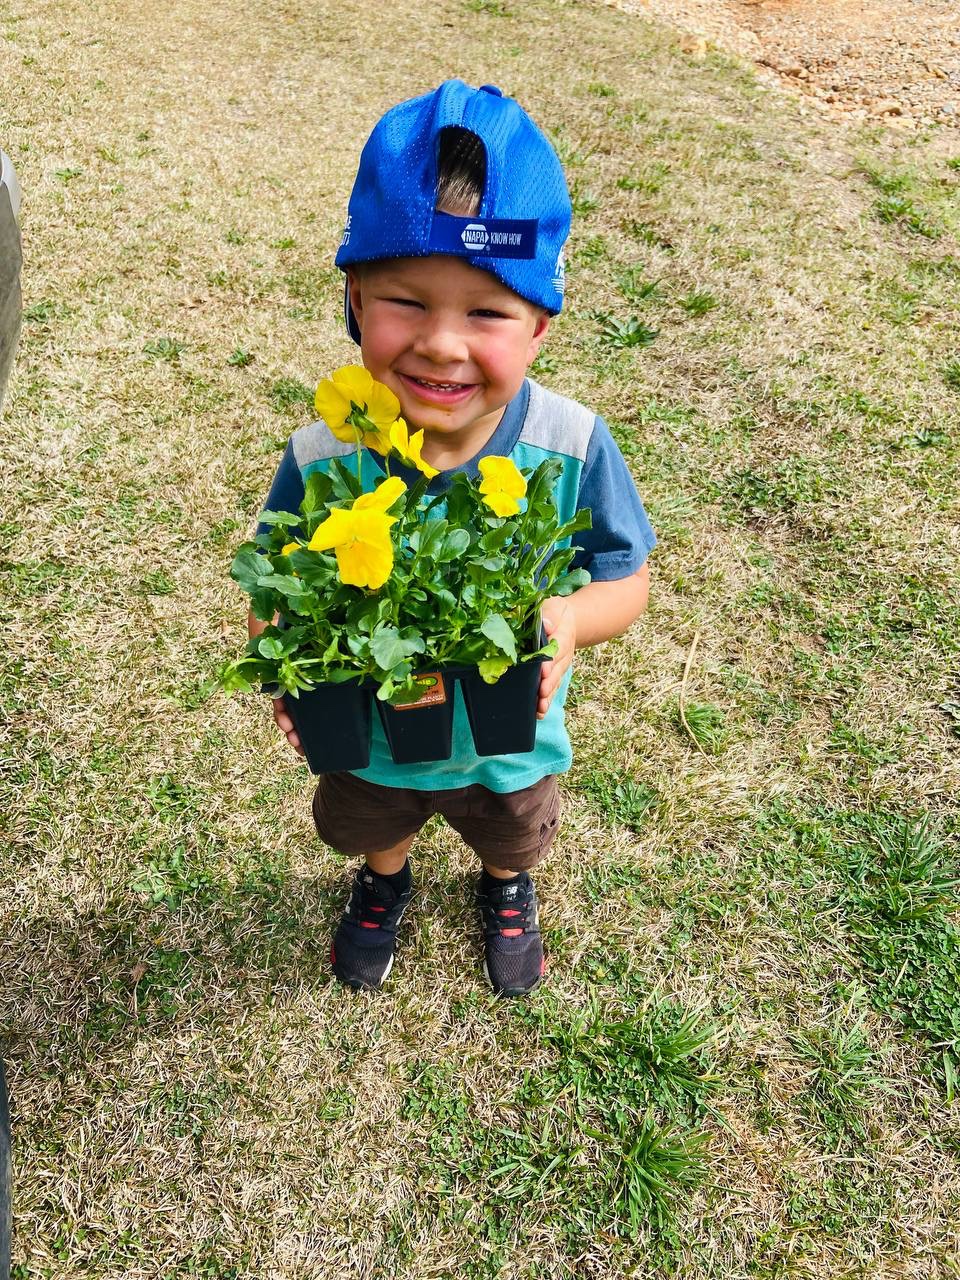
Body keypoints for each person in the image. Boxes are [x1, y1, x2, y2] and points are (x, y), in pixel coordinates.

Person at [251, 80, 656, 997]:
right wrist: (284, 661)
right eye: (405, 301)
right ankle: (385, 879)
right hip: (369, 738)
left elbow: (624, 578)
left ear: (540, 325)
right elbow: (272, 582)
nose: (441, 344)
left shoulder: (568, 444)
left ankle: (507, 887)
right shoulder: (325, 455)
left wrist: (568, 618)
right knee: (373, 818)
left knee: (513, 829)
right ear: (355, 299)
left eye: (486, 312)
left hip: (509, 742)